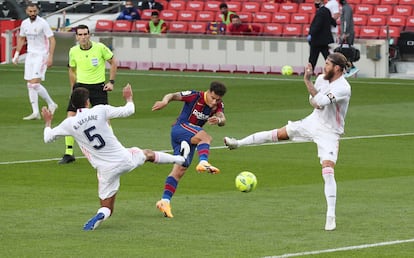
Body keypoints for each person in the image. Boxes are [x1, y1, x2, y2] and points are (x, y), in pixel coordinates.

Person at [224, 52, 351, 231]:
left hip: (330, 132)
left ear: (337, 68)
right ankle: (237, 143)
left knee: (328, 170)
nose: (324, 67)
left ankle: (331, 216)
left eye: (328, 64)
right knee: (276, 134)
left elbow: (320, 100)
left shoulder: (343, 87)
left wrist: (307, 81)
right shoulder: (322, 79)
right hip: (313, 121)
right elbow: (314, 102)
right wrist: (315, 93)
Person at [42, 84, 189, 230]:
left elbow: (47, 138)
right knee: (148, 154)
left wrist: (48, 121)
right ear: (88, 102)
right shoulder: (100, 110)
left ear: (73, 104)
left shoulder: (69, 123)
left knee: (107, 208)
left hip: (105, 170)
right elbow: (129, 110)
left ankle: (98, 217)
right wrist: (129, 98)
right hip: (124, 159)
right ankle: (181, 159)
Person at [151, 82, 227, 218]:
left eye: (218, 99)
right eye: (213, 98)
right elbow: (172, 95)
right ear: (208, 92)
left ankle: (164, 201)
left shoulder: (218, 105)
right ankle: (203, 162)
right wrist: (164, 102)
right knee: (206, 137)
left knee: (179, 170)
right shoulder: (194, 96)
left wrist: (219, 120)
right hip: (180, 129)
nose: (214, 101)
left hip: (191, 137)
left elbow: (223, 118)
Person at [59, 24, 117, 164]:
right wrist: (73, 89)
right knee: (71, 116)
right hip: (80, 87)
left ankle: (113, 150)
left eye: (86, 34)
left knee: (104, 118)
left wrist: (111, 82)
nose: (83, 37)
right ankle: (68, 152)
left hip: (98, 88)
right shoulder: (73, 51)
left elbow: (113, 62)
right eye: (80, 35)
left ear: (89, 35)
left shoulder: (100, 48)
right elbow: (72, 70)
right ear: (77, 36)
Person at [12, 3, 58, 120]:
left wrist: (50, 56)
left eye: (34, 11)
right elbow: (22, 38)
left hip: (41, 55)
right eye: (30, 11)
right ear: (27, 12)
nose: (33, 13)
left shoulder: (43, 23)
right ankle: (35, 112)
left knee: (35, 84)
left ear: (37, 11)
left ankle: (52, 104)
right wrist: (16, 54)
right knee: (29, 85)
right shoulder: (24, 23)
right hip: (30, 55)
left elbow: (52, 40)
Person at [307, 0, 337, 70]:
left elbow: (317, 25)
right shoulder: (326, 10)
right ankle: (334, 69)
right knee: (327, 57)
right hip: (324, 40)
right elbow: (332, 22)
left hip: (317, 39)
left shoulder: (320, 12)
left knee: (313, 58)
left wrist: (311, 34)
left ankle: (309, 71)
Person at [339, 0, 359, 77]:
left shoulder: (346, 8)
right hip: (348, 33)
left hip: (347, 34)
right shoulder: (346, 7)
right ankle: (349, 69)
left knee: (344, 53)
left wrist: (344, 33)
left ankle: (351, 68)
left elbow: (346, 21)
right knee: (345, 54)